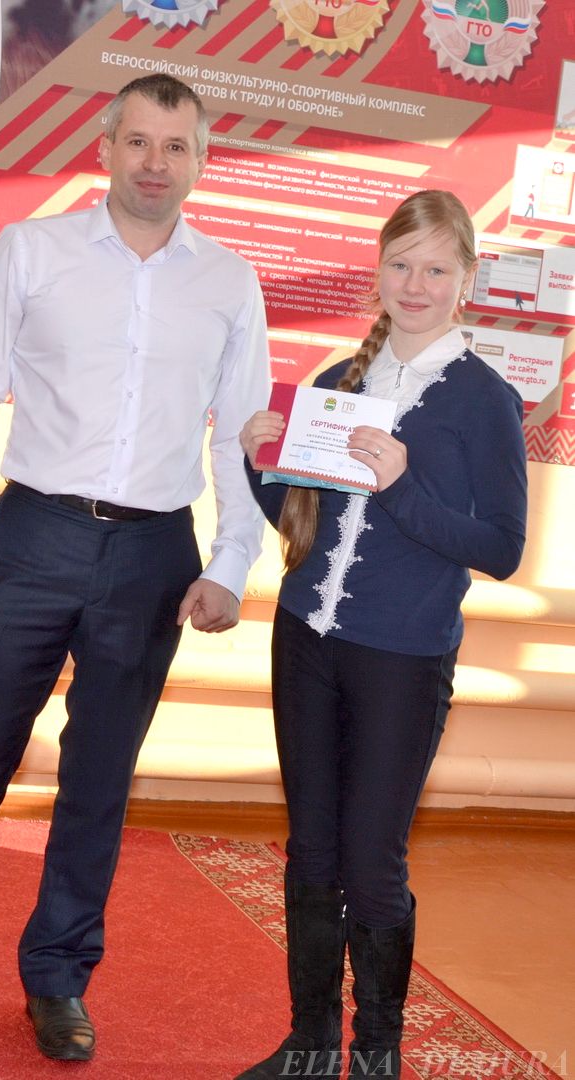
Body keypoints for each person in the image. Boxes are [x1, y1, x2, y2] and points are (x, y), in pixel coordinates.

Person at [0, 73, 270, 1062]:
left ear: (201, 159)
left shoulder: (229, 282)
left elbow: (240, 435)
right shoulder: (32, 249)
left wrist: (231, 559)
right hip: (29, 540)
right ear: (105, 146)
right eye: (137, 141)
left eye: (174, 146)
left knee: (100, 783)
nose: (153, 164)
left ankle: (57, 979)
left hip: (153, 555)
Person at [235, 190, 527, 1079]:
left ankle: (374, 1056)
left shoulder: (483, 400)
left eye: (435, 268)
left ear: (465, 279)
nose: (415, 284)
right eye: (400, 264)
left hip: (402, 656)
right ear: (377, 268)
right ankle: (308, 1045)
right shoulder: (338, 380)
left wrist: (399, 488)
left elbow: (501, 549)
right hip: (304, 639)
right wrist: (259, 465)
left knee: (369, 863)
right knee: (311, 851)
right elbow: (301, 522)